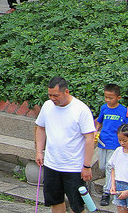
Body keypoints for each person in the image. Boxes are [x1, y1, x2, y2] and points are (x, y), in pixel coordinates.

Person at [34, 76, 96, 213]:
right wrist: (39, 151)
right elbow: (40, 128)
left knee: (77, 206)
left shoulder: (81, 109)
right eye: (50, 95)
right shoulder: (47, 106)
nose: (52, 98)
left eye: (56, 95)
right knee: (55, 201)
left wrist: (87, 166)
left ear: (66, 92)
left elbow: (90, 138)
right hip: (52, 164)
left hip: (73, 166)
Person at [94, 83, 128, 206]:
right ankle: (114, 180)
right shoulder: (104, 108)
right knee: (102, 167)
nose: (108, 100)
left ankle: (107, 192)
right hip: (103, 142)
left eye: (111, 98)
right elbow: (99, 121)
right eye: (106, 97)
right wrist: (95, 131)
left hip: (115, 144)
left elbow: (127, 127)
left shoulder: (123, 110)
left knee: (110, 168)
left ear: (118, 98)